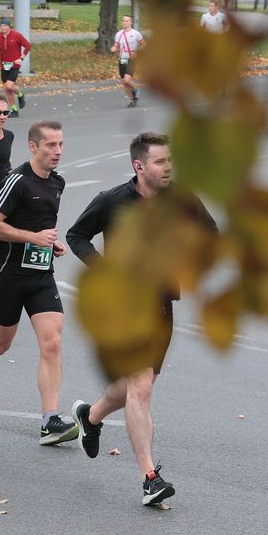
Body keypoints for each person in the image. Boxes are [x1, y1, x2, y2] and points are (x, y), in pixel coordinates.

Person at [66, 132, 217, 506]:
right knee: (142, 387)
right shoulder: (112, 201)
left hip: (162, 305)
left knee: (136, 386)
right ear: (139, 166)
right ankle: (150, 477)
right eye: (160, 162)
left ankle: (91, 416)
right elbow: (77, 235)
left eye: (170, 161)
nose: (168, 168)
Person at [0, 121, 77, 446]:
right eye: (50, 145)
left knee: (53, 342)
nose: (57, 151)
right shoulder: (16, 181)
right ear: (33, 147)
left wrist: (52, 244)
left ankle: (50, 422)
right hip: (9, 274)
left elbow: (41, 227)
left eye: (60, 144)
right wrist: (33, 237)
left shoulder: (58, 182)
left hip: (41, 275)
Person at [0, 17, 31, 116]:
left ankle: (20, 94)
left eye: (4, 26)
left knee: (9, 85)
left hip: (14, 64)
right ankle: (14, 110)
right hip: (4, 65)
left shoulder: (16, 35)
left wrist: (21, 58)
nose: (2, 28)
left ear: (9, 26)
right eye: (1, 25)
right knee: (7, 89)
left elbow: (28, 46)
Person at [111, 15, 145, 107]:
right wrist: (114, 48)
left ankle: (135, 89)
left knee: (127, 80)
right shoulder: (119, 34)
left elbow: (144, 44)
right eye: (123, 21)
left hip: (132, 59)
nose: (124, 22)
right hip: (122, 59)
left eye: (126, 21)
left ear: (131, 23)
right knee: (124, 83)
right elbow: (116, 45)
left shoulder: (136, 33)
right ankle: (132, 100)